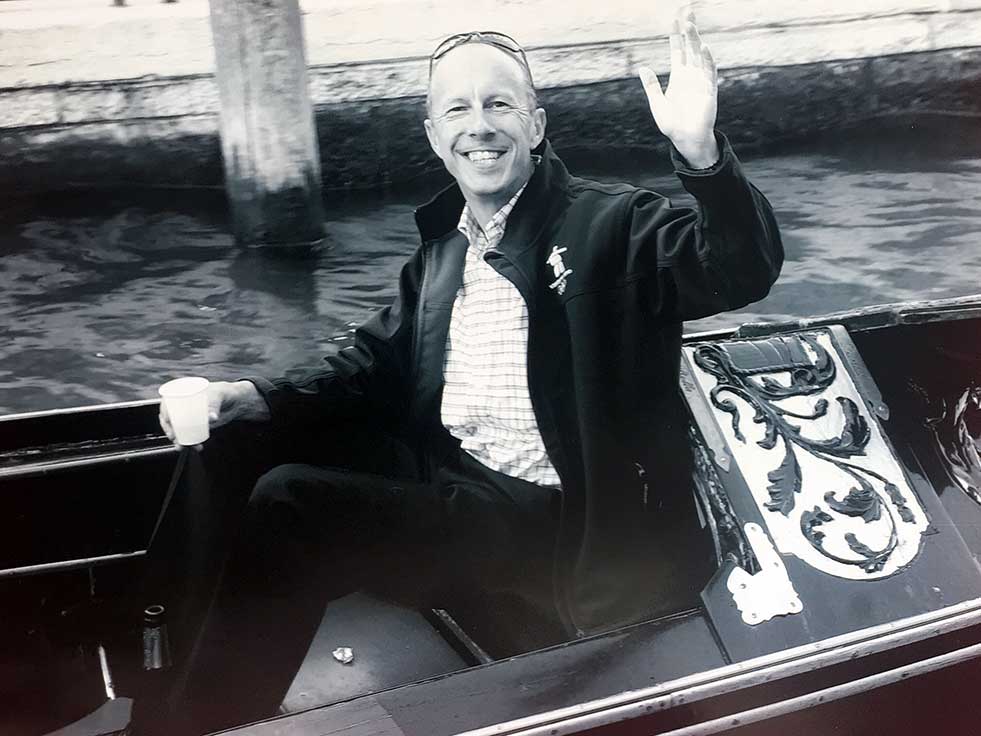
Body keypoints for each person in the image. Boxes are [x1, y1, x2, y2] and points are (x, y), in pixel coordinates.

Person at [149, 9, 782, 734]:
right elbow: (366, 367)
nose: (478, 125)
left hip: (548, 523)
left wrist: (701, 155)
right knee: (234, 442)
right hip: (453, 474)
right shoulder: (443, 253)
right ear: (435, 137)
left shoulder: (613, 226)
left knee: (292, 508)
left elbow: (739, 269)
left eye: (498, 104)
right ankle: (155, 669)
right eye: (458, 108)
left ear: (536, 127)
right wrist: (250, 396)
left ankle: (197, 725)